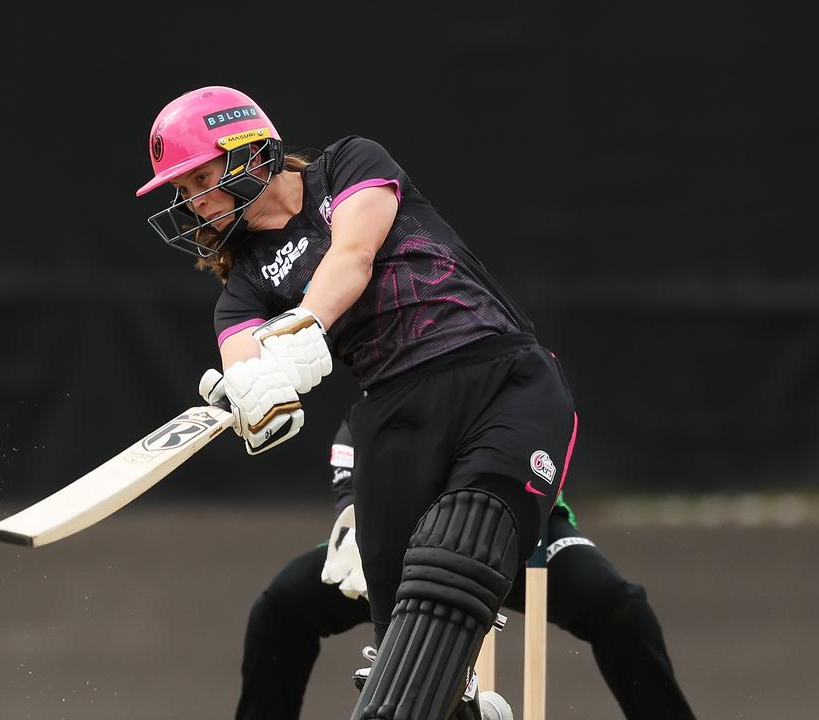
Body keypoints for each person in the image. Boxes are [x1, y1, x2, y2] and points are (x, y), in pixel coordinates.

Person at [137, 85, 580, 720]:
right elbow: (243, 361)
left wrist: (304, 327)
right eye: (182, 190)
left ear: (248, 153)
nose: (192, 202)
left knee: (459, 550)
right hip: (395, 418)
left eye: (200, 178)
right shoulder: (241, 292)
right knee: (407, 662)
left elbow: (354, 254)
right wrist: (252, 397)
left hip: (499, 375)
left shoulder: (347, 164)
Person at [234, 417, 696, 720]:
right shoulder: (383, 376)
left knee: (619, 605)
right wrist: (356, 520)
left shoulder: (493, 356)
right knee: (284, 604)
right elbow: (354, 447)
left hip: (509, 530)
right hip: (407, 541)